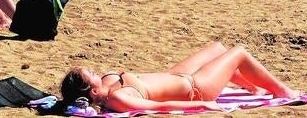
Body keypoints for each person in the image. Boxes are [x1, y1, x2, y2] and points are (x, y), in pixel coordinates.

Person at [60, 42, 301, 113]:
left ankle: (253, 88)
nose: (93, 70)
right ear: (92, 91)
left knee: (217, 48)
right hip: (196, 88)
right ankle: (283, 91)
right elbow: (161, 106)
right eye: (89, 74)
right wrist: (203, 103)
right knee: (238, 53)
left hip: (177, 75)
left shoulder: (106, 82)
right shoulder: (119, 99)